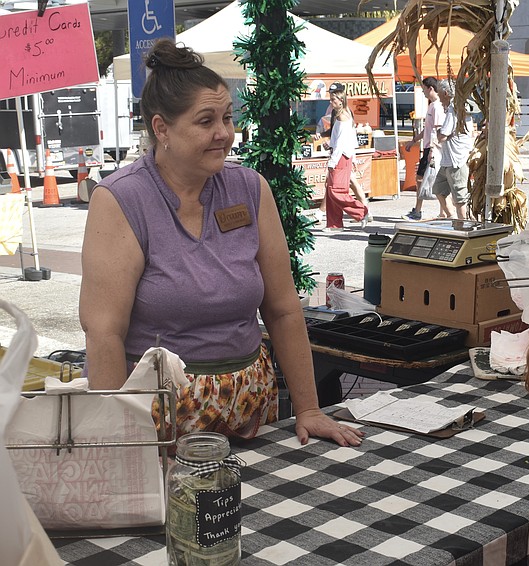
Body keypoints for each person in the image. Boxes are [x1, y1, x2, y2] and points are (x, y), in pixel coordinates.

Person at [79, 39, 363, 448]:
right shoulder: (122, 200)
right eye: (206, 121)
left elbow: (283, 309)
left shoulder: (249, 189)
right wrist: (121, 446)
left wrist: (309, 409)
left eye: (228, 117)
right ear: (161, 129)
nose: (224, 134)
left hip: (252, 413)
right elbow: (103, 333)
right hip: (157, 426)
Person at [314, 83, 369, 231]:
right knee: (331, 190)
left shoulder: (343, 116)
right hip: (342, 155)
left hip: (341, 157)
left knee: (336, 190)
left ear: (341, 100)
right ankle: (334, 224)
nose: (330, 102)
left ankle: (361, 212)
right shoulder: (340, 113)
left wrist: (333, 161)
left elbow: (341, 142)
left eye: (333, 99)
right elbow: (341, 137)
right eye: (330, 98)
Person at [403, 77, 448, 220]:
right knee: (432, 179)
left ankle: (419, 211)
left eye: (424, 89)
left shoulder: (436, 106)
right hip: (430, 147)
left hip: (432, 148)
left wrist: (433, 150)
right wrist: (414, 140)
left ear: (430, 88)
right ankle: (442, 212)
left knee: (422, 178)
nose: (423, 92)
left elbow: (437, 130)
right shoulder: (433, 105)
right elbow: (428, 129)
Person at [433, 78, 474, 220]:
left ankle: (463, 224)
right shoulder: (456, 108)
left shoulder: (453, 109)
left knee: (459, 199)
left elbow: (442, 135)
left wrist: (440, 133)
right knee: (438, 189)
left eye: (439, 94)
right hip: (447, 161)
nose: (439, 98)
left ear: (445, 93)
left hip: (456, 161)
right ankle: (452, 217)